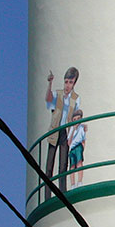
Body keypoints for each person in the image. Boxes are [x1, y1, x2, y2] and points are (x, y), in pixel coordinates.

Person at [44, 67, 80, 199]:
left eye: (70, 82)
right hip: (55, 130)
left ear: (74, 83)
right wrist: (50, 83)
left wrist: (72, 135)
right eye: (66, 82)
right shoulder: (57, 94)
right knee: (49, 165)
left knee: (63, 164)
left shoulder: (75, 98)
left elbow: (76, 118)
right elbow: (48, 99)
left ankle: (63, 192)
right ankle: (47, 195)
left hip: (66, 131)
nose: (67, 85)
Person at [67, 109, 86, 189]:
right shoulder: (72, 129)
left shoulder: (82, 127)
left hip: (78, 146)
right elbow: (69, 142)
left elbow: (83, 139)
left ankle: (80, 182)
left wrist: (83, 148)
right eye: (74, 119)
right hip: (72, 149)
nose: (76, 121)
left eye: (78, 119)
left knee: (79, 164)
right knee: (72, 166)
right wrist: (73, 130)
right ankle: (72, 184)